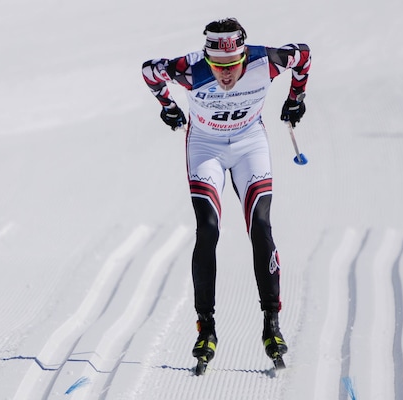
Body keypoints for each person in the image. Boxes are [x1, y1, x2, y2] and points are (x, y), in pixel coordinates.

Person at [141, 17, 310, 368]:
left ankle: (271, 323)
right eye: (217, 66)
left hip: (250, 143)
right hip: (206, 147)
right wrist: (167, 106)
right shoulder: (190, 68)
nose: (226, 74)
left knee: (261, 225)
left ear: (244, 55)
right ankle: (206, 327)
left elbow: (304, 56)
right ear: (208, 59)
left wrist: (297, 97)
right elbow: (149, 71)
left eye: (232, 65)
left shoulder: (265, 61)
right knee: (208, 230)